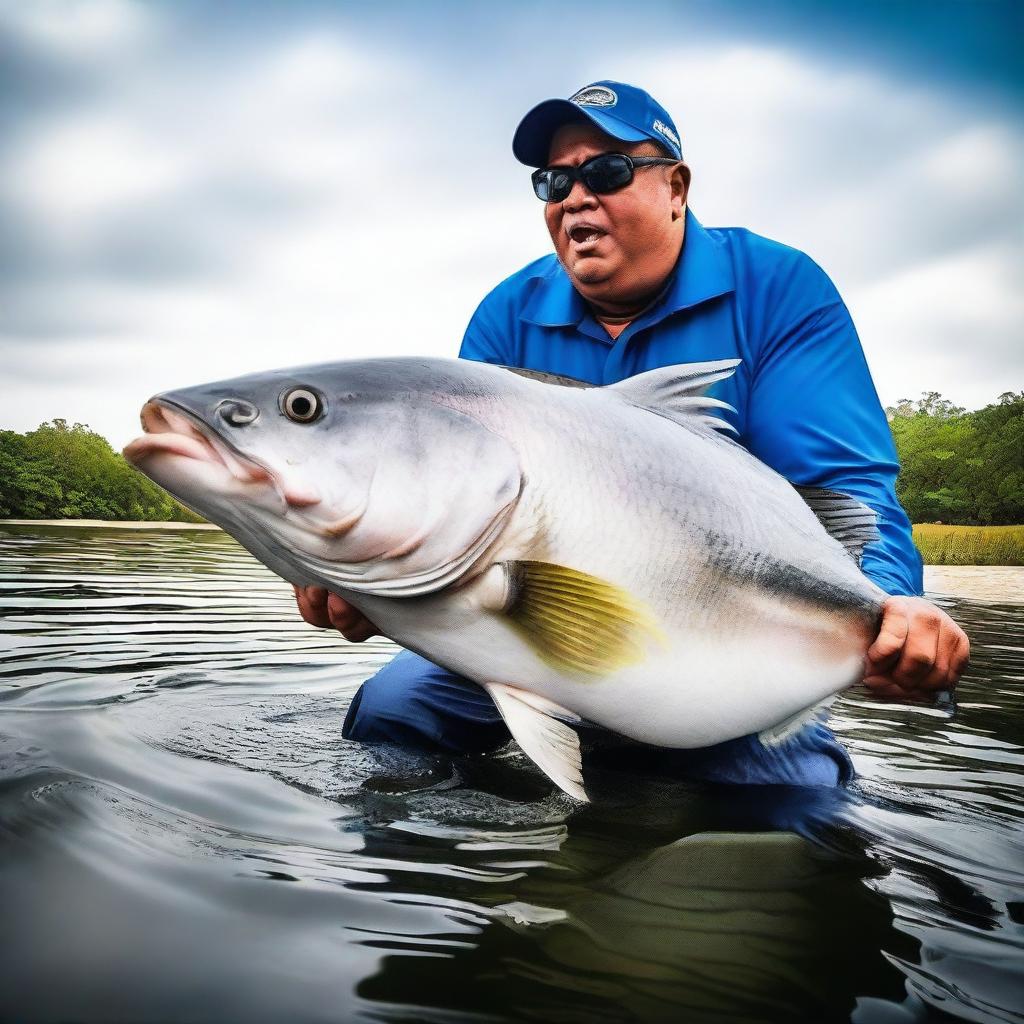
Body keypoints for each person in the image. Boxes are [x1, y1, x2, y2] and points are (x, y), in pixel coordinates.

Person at [295, 81, 970, 787]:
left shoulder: (780, 287)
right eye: (554, 181)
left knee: (788, 796)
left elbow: (845, 491)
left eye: (607, 172)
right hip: (531, 633)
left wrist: (890, 606)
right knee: (392, 714)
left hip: (716, 639)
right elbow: (458, 502)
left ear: (676, 187)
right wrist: (370, 586)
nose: (575, 197)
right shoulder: (505, 315)